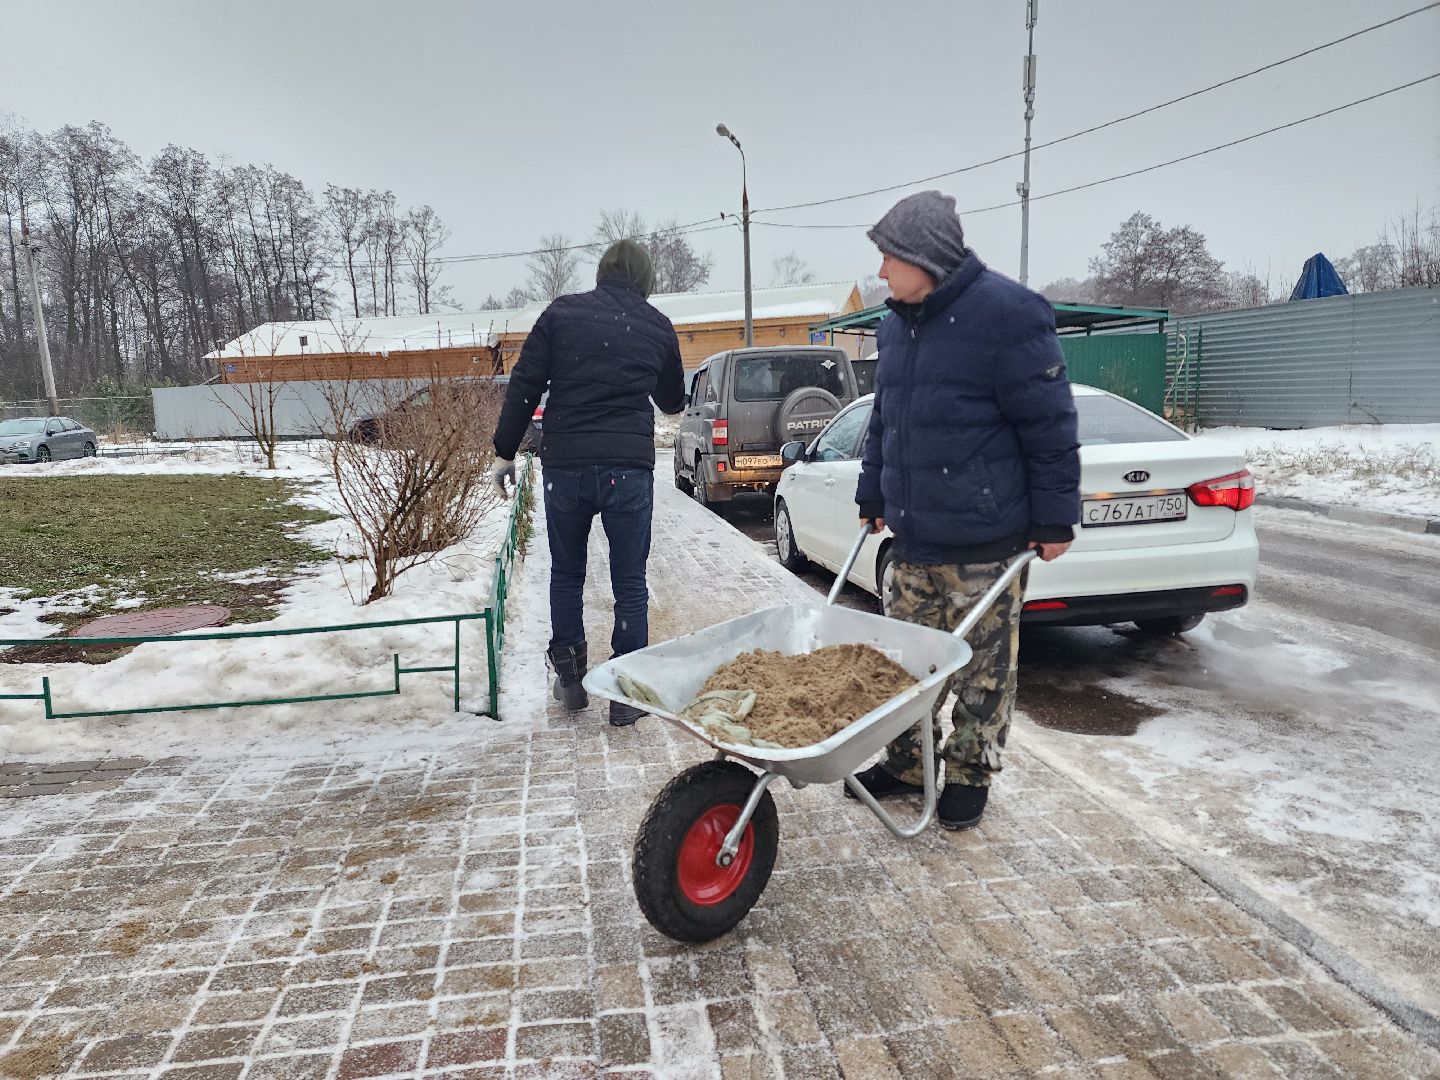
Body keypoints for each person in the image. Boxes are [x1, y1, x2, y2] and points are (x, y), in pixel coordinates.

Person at [850, 190, 1080, 830]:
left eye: (888, 258)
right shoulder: (894, 324)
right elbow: (886, 420)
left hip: (989, 540)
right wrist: (874, 491)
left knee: (983, 671)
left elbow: (1050, 423)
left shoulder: (1008, 315)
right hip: (913, 539)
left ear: (925, 258)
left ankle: (970, 772)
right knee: (904, 669)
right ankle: (905, 765)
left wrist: (1055, 515)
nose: (880, 272)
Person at [490, 239, 685, 726]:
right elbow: (672, 401)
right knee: (630, 583)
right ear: (646, 280)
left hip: (568, 466)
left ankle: (572, 679)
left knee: (567, 574)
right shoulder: (657, 326)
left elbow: (525, 381)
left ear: (600, 273)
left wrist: (503, 450)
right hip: (628, 470)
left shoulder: (561, 315)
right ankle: (625, 695)